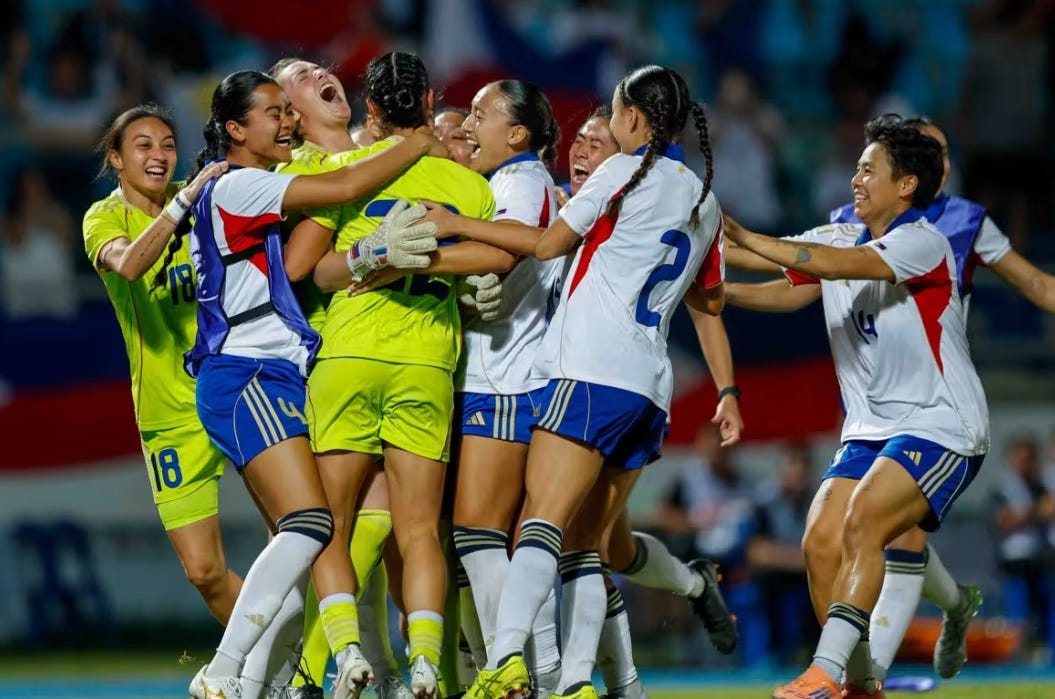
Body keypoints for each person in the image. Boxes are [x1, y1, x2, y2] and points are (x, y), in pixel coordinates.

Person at [726, 115, 1055, 684]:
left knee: (868, 522)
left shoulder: (927, 238)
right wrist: (706, 271)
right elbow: (779, 269)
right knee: (820, 540)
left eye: (867, 169)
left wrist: (746, 235)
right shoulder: (840, 231)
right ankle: (863, 683)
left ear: (907, 182)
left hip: (939, 420)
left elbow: (826, 263)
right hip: (870, 423)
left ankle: (826, 671)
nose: (855, 178)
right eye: (857, 167)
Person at [175, 69, 447, 699]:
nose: (285, 122)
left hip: (268, 373)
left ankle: (254, 684)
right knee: (310, 527)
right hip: (248, 371)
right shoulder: (242, 184)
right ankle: (225, 671)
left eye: (285, 111)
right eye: (272, 112)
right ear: (235, 129)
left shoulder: (250, 184)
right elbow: (346, 185)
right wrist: (416, 142)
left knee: (305, 540)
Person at [466, 64, 724, 699]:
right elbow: (712, 301)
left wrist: (455, 224)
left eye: (609, 118)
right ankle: (581, 681)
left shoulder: (620, 173)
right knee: (588, 544)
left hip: (589, 370)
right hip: (649, 390)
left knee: (541, 524)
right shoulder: (705, 198)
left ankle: (505, 660)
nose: (593, 139)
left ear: (632, 118)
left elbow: (545, 245)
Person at [295, 52, 510, 699]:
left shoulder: (351, 172)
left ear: (371, 110)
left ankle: (341, 657)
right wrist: (457, 279)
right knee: (418, 532)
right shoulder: (469, 188)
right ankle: (423, 663)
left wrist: (371, 256)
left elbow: (315, 272)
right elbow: (492, 255)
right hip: (427, 363)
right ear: (431, 100)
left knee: (329, 525)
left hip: (350, 355)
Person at [417, 78, 565, 694]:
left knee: (478, 532)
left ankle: (518, 672)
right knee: (492, 538)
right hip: (500, 374)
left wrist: (409, 258)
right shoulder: (510, 181)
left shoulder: (521, 181)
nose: (469, 125)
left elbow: (503, 257)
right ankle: (514, 672)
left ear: (518, 133)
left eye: (481, 114)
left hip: (506, 377)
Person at [82, 106, 234, 626]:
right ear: (116, 158)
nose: (159, 154)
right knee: (204, 571)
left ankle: (323, 652)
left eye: (168, 144)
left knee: (295, 531)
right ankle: (281, 659)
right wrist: (182, 204)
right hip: (168, 410)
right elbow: (129, 265)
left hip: (236, 386)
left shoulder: (204, 198)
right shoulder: (103, 218)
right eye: (143, 145)